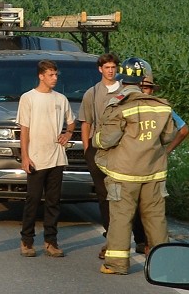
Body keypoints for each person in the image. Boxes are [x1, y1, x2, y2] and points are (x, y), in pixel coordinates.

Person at [93, 57, 176, 275]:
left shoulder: (121, 106)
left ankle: (117, 264)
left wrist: (97, 138)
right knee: (156, 219)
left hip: (124, 174)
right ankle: (163, 266)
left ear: (122, 79)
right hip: (154, 173)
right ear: (143, 80)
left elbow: (106, 140)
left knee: (121, 218)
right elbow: (169, 136)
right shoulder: (161, 107)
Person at [17, 60, 75, 258]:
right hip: (36, 157)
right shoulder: (28, 98)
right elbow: (24, 130)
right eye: (51, 75)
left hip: (57, 157)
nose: (55, 78)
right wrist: (25, 156)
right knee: (32, 200)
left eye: (56, 75)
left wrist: (67, 134)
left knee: (53, 201)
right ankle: (27, 240)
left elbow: (72, 122)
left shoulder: (61, 99)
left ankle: (51, 242)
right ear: (41, 76)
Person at [79, 53, 121, 258]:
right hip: (98, 149)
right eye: (107, 67)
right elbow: (85, 122)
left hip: (120, 150)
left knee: (122, 195)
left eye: (113, 67)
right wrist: (87, 150)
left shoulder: (126, 91)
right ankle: (110, 238)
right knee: (104, 196)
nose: (110, 71)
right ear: (100, 69)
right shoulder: (92, 93)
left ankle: (133, 239)